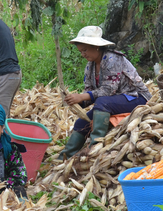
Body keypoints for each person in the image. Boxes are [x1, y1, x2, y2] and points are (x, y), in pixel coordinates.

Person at [60, 26, 152, 158]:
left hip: (135, 97)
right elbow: (90, 92)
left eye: (85, 50)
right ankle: (64, 157)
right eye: (81, 51)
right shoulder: (90, 66)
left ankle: (94, 148)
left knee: (102, 102)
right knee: (81, 123)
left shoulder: (112, 59)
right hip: (113, 101)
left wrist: (82, 96)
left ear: (96, 46)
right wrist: (76, 102)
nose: (83, 54)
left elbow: (109, 90)